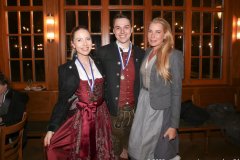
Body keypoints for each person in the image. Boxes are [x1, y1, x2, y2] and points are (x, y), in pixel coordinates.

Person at [44, 26, 115, 160]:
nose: (85, 44)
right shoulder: (66, 69)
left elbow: (106, 89)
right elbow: (62, 101)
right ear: (73, 44)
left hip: (101, 116)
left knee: (101, 152)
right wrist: (52, 128)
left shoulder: (99, 63)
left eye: (87, 39)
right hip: (82, 119)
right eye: (79, 40)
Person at [128, 17, 183, 160]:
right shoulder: (147, 52)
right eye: (150, 31)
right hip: (143, 104)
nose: (152, 35)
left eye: (157, 32)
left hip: (160, 109)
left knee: (154, 149)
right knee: (137, 144)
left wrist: (173, 126)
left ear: (165, 34)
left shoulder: (174, 55)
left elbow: (176, 93)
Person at [95, 13, 145, 159]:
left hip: (136, 113)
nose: (122, 31)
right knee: (114, 151)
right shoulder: (102, 52)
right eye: (118, 28)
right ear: (113, 31)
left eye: (126, 27)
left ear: (131, 30)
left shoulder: (141, 53)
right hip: (112, 113)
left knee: (133, 150)